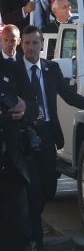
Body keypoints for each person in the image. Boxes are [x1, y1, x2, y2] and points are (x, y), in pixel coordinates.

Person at [18, 25, 84, 250]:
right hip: (22, 135)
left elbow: (71, 97)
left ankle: (32, 221)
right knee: (32, 187)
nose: (31, 48)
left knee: (46, 186)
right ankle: (35, 237)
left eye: (35, 43)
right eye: (26, 43)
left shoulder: (50, 69)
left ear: (42, 45)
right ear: (21, 45)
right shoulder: (13, 69)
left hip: (45, 134)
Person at [0, 58, 39, 251]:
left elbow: (34, 107)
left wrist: (24, 108)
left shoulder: (13, 69)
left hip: (10, 165)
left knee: (18, 233)